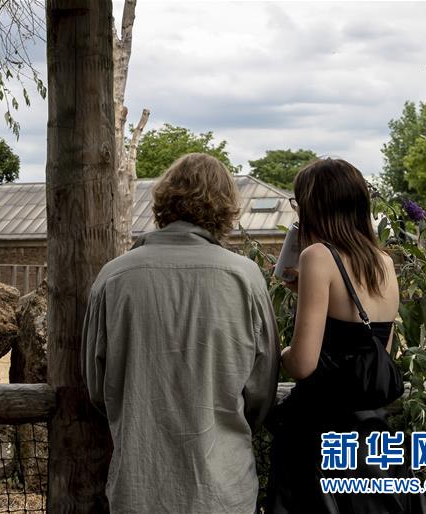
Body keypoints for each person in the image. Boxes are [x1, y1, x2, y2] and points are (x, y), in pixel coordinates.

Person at [81, 153, 280, 513]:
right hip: (224, 488)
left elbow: (97, 387)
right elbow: (261, 390)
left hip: (139, 486)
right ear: (226, 208)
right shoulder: (245, 278)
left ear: (164, 201)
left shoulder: (113, 276)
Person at [266, 157, 426, 513]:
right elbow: (373, 352)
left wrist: (281, 353)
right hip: (372, 436)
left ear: (314, 206)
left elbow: (303, 365)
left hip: (320, 435)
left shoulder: (317, 257)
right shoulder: (384, 262)